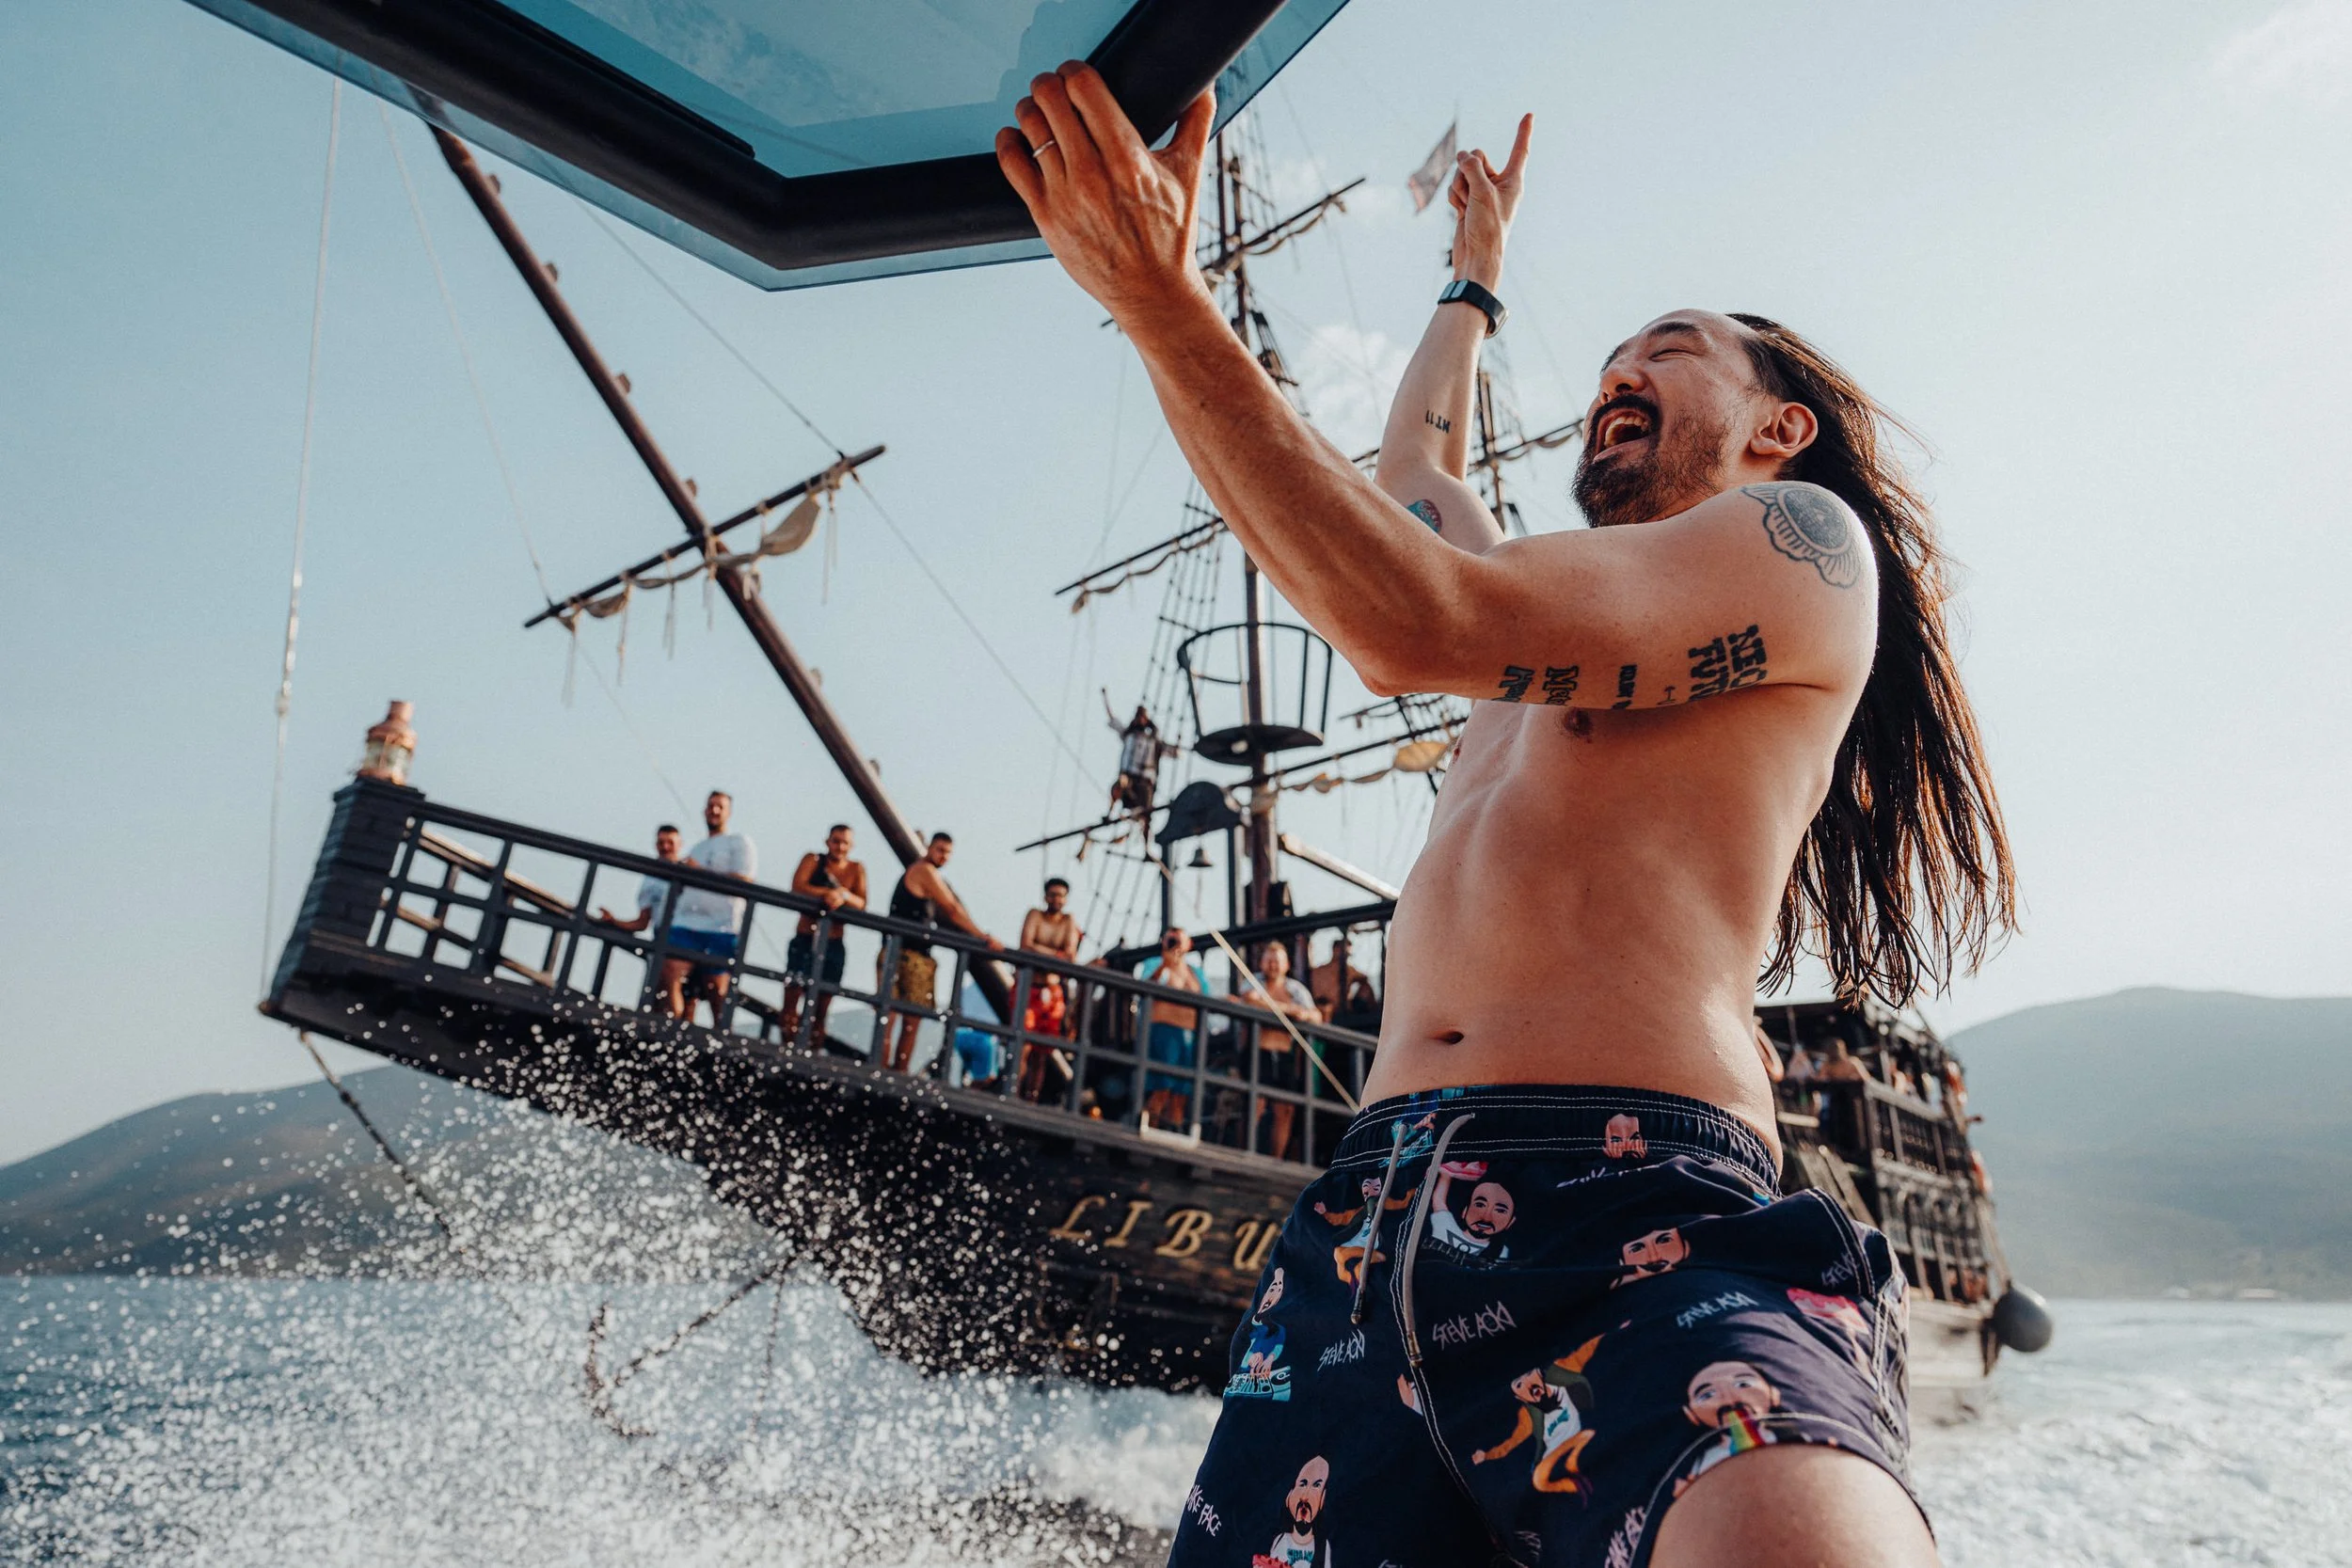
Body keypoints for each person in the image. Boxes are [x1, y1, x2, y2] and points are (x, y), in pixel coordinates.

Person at [998, 70, 2012, 1568]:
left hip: (1626, 1180)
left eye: (1666, 350)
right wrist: (1470, 280)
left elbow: (1408, 614)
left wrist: (1162, 300)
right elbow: (1412, 482)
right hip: (1371, 1214)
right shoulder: (1545, 633)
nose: (1624, 366)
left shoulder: (1801, 548)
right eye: (1609, 355)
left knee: (1791, 1534)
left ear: (1778, 426)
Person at [882, 832, 1000, 1073]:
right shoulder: (926, 871)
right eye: (939, 850)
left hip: (902, 950)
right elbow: (952, 909)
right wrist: (982, 936)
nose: (943, 856)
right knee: (901, 1017)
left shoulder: (923, 872)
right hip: (909, 954)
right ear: (929, 848)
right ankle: (892, 1070)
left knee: (895, 1015)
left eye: (947, 852)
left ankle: (889, 1068)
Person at [664, 791, 755, 1023]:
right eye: (710, 806)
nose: (714, 810)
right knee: (672, 975)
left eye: (719, 807)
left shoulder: (739, 842)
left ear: (729, 812)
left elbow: (745, 881)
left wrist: (699, 872)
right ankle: (670, 1032)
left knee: (717, 990)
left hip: (721, 928)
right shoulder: (697, 848)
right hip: (686, 923)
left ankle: (721, 1039)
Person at [1237, 940, 1322, 1159]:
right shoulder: (1253, 982)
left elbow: (1315, 1016)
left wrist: (1300, 1013)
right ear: (1262, 963)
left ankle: (1276, 1159)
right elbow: (1249, 1000)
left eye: (1278, 961)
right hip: (1259, 1052)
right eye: (1269, 960)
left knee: (1285, 1109)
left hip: (1284, 1055)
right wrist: (1291, 1010)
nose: (1273, 965)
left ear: (1286, 965)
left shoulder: (1295, 989)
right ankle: (1244, 1154)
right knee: (1255, 1104)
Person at [786, 823, 866, 1044]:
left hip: (833, 942)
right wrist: (827, 893)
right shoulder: (812, 860)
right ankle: (787, 1047)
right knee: (792, 998)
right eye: (836, 841)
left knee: (821, 1009)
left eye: (845, 843)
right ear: (827, 842)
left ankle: (812, 1051)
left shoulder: (856, 869)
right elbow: (797, 886)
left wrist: (843, 895)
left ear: (852, 846)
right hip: (805, 937)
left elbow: (861, 903)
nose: (840, 847)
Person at [1016, 878, 1084, 1101]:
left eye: (1061, 895)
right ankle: (1013, 1092)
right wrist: (1054, 955)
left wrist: (1040, 951)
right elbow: (1025, 945)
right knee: (1022, 1046)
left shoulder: (1068, 921)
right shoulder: (1034, 914)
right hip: (1029, 987)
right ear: (1046, 896)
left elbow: (1070, 955)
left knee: (1042, 1053)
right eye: (1053, 894)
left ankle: (1031, 1098)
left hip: (1052, 992)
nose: (1057, 899)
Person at [1136, 927, 1206, 1130]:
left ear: (1189, 944)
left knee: (1180, 1095)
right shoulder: (1155, 964)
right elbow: (1146, 987)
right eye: (1170, 939)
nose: (1174, 943)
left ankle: (1172, 1137)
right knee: (1161, 1089)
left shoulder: (1196, 973)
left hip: (1189, 1037)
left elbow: (1206, 997)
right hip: (1163, 1032)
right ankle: (1148, 1131)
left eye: (1178, 939)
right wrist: (1165, 964)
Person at [594, 823, 684, 958]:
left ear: (679, 844)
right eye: (661, 843)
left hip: (691, 936)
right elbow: (642, 922)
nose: (665, 847)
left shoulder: (692, 872)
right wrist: (614, 921)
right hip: (664, 938)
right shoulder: (650, 879)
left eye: (670, 843)